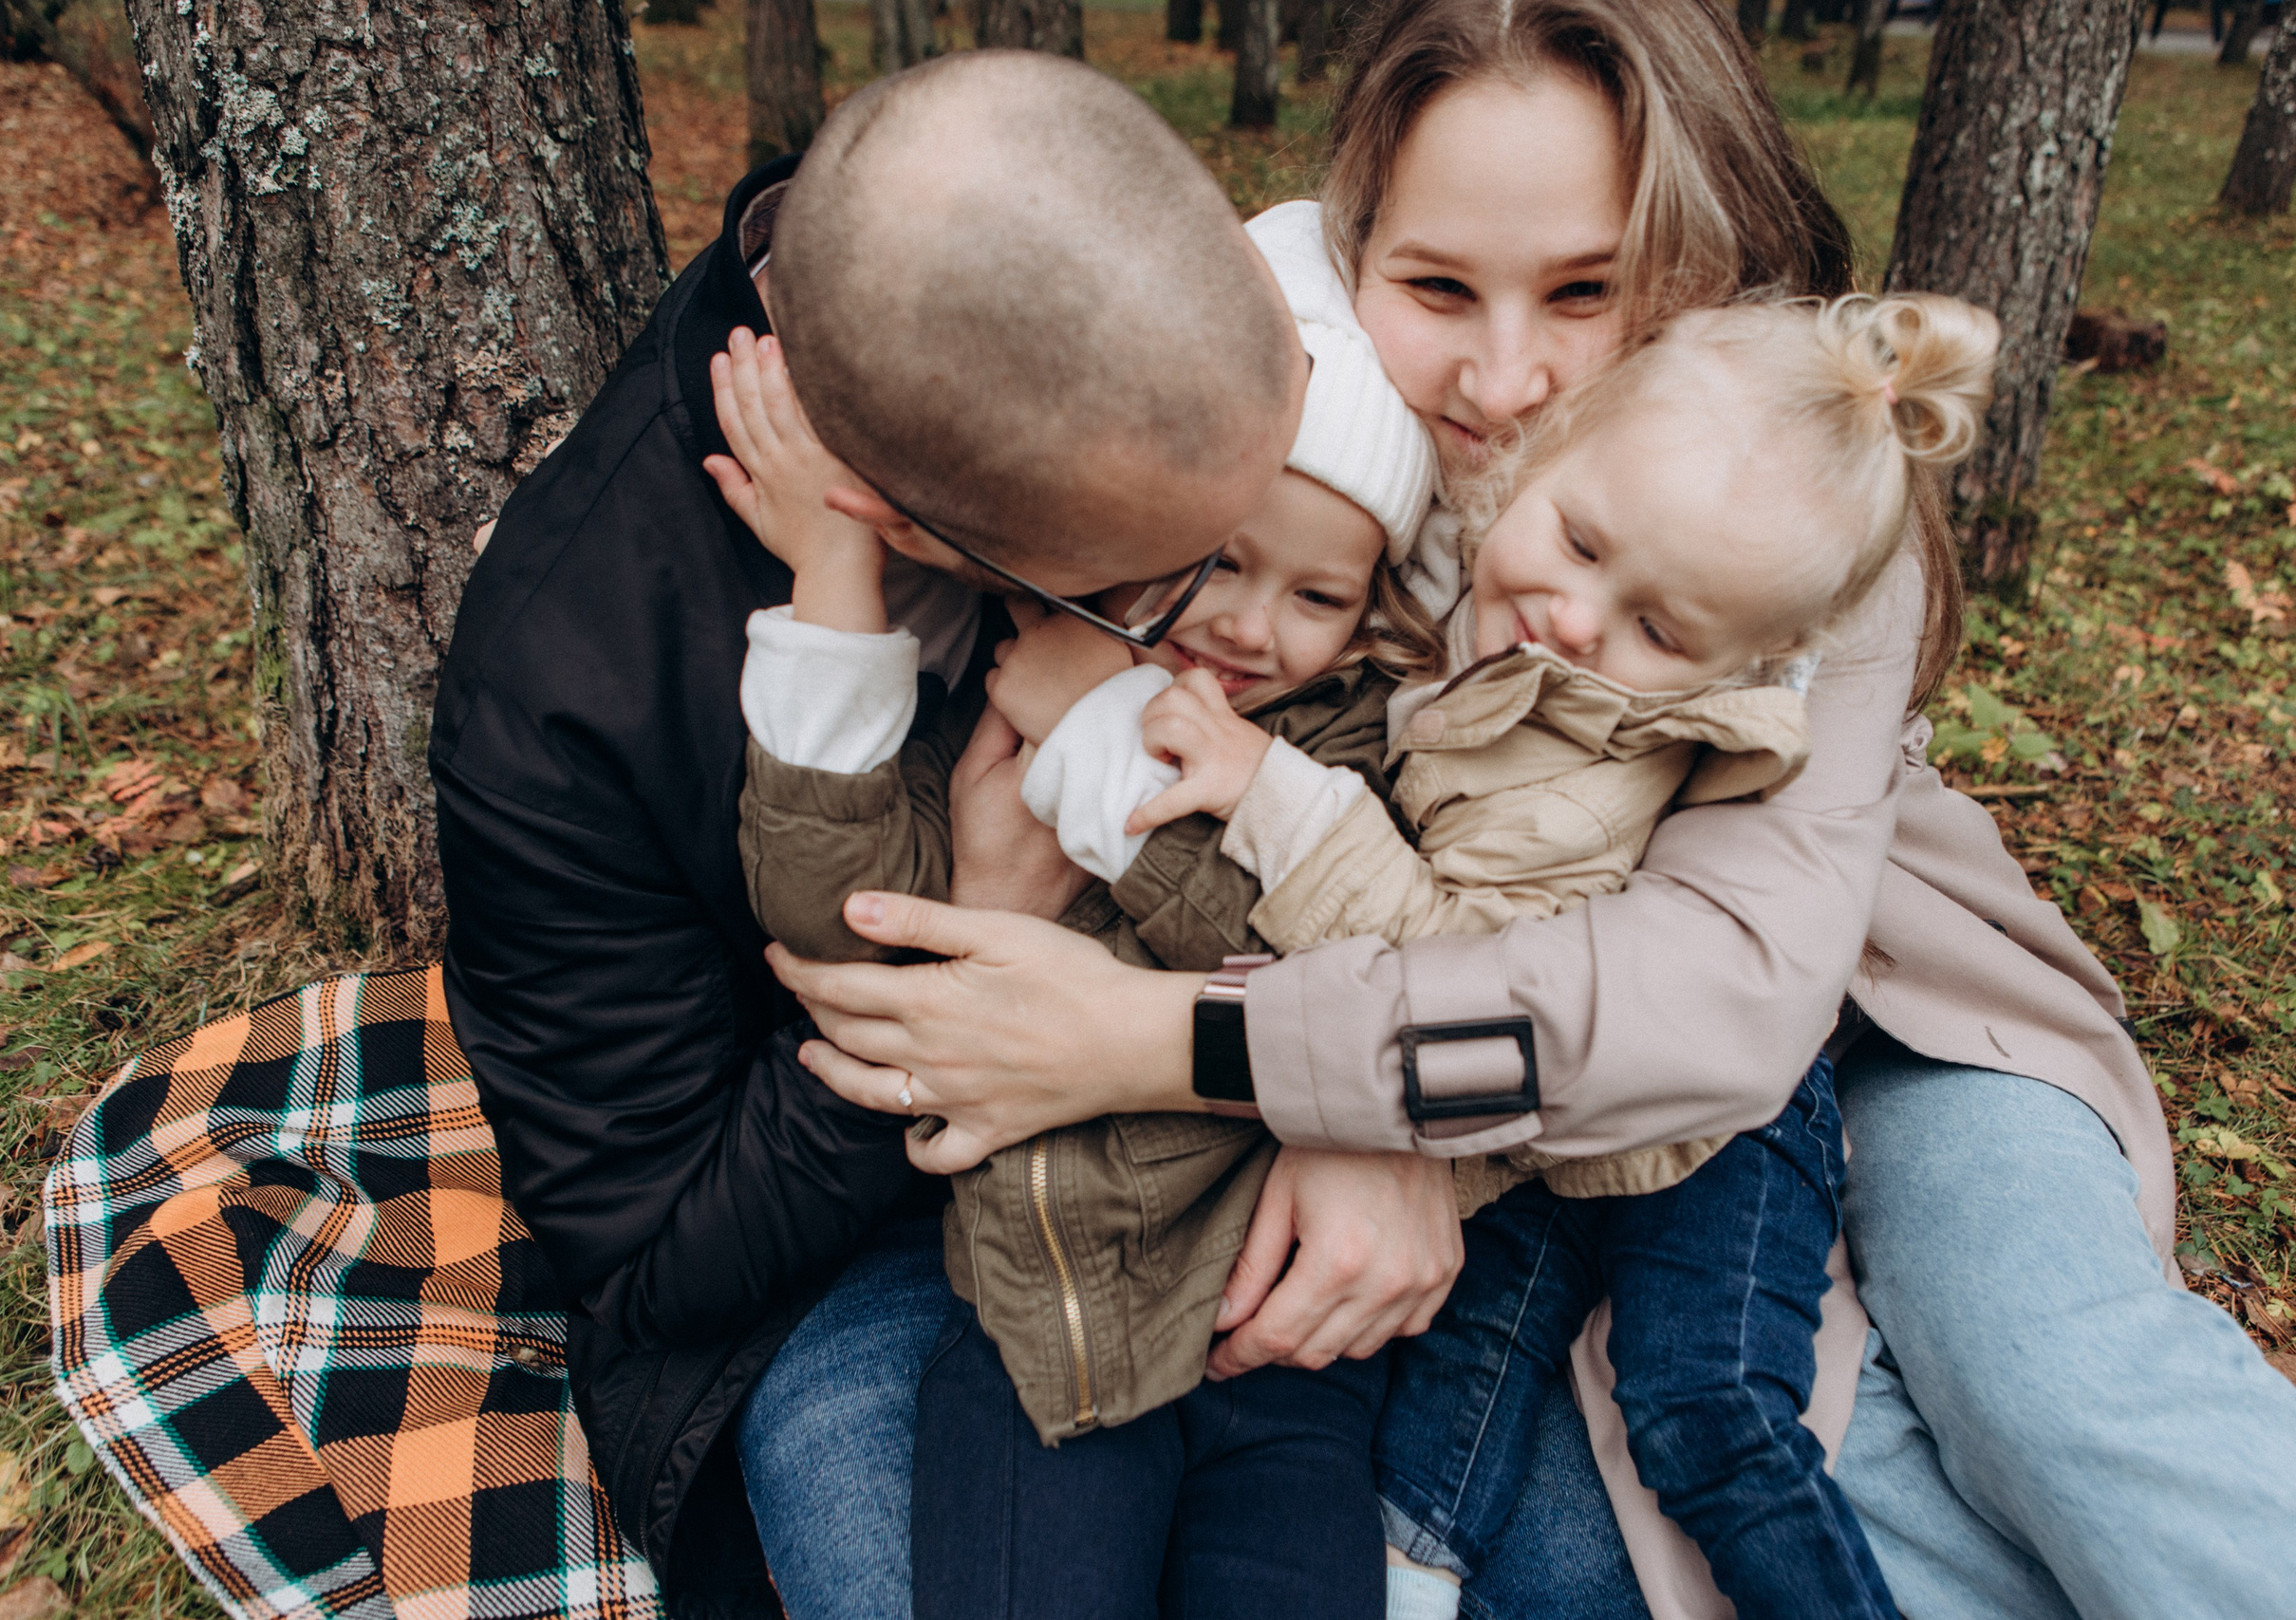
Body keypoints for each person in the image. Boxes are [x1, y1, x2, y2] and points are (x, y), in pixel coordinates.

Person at [771, 2, 2296, 1616]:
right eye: (1437, 286)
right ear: (1352, 253)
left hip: (1875, 1029)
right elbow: (938, 332)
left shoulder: (1779, 480)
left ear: (1689, 268)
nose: (1504, 376)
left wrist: (1224, 1060)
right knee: (1819, 1484)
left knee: (2055, 1383)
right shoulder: (1278, 407)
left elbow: (1716, 998)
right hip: (1541, 1110)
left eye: (1587, 289)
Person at [429, 49, 1482, 1618]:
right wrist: (972, 928)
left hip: (1237, 1181)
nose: (1220, 629)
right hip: (866, 1251)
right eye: (1153, 583)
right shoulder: (572, 691)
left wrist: (1367, 1120)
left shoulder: (1101, 276)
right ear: (918, 534)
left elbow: (1491, 936)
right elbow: (653, 1268)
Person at [1018, 291, 1994, 1620]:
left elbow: (1445, 950)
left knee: (1704, 1409)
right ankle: (1413, 1572)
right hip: (1537, 1116)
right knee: (1467, 1355)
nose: (1582, 622)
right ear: (1546, 451)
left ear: (1748, 667)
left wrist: (1273, 795)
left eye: (1662, 632)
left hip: (1714, 1129)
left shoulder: (1598, 763)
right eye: (1582, 541)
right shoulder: (1468, 569)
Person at [708, 239, 1441, 1615]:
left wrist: (1102, 742)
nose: (1253, 627)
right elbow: (842, 917)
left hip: (1281, 1344)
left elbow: (1321, 961)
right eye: (1221, 560)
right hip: (1043, 1336)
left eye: (1321, 594)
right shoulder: (1016, 670)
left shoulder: (1352, 757)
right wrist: (836, 580)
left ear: (1373, 613)